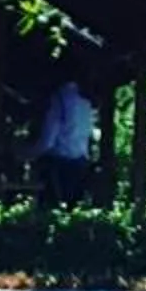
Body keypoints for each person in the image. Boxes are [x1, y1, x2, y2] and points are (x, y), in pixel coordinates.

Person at [32, 74, 97, 203]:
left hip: (60, 166)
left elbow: (47, 142)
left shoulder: (59, 98)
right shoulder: (86, 101)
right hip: (81, 164)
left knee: (53, 208)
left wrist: (28, 152)